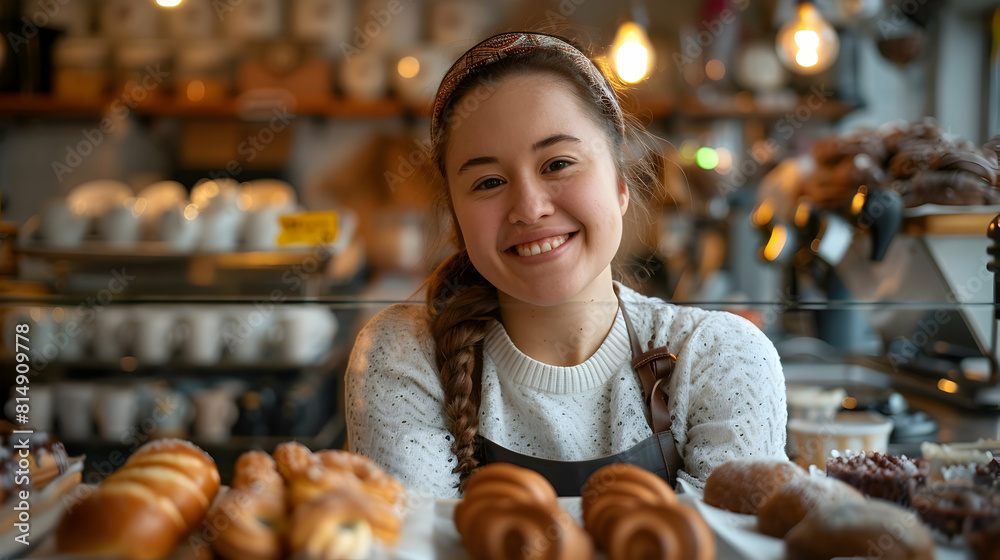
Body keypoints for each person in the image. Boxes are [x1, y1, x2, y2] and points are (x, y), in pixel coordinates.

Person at [346, 32, 786, 499]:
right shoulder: (404, 355)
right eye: (489, 181)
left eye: (557, 164)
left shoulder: (721, 356)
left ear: (620, 185)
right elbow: (414, 546)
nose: (529, 207)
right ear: (457, 220)